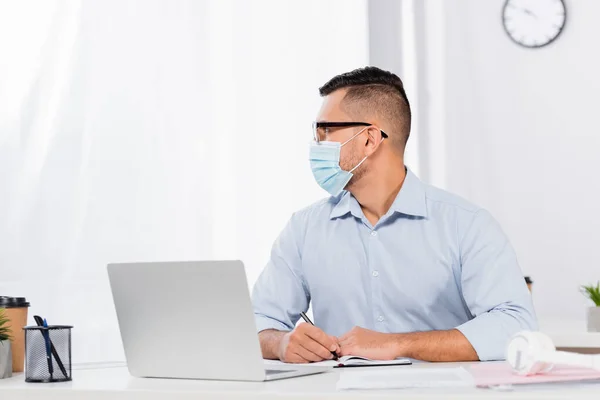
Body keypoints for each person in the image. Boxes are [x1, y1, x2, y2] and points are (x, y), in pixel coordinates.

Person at [252, 66, 537, 363]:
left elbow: (515, 326)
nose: (317, 143)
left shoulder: (465, 224)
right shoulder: (304, 229)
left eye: (325, 130)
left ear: (369, 139)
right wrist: (282, 343)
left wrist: (397, 344)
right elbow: (257, 322)